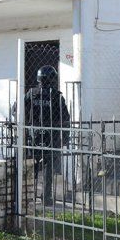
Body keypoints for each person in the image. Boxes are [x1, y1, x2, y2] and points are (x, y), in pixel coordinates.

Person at [21, 65, 70, 206]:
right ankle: (46, 198)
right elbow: (65, 119)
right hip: (51, 137)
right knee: (48, 168)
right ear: (52, 79)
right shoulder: (56, 96)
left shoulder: (31, 93)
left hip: (33, 136)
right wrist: (65, 138)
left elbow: (17, 110)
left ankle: (28, 195)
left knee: (31, 165)